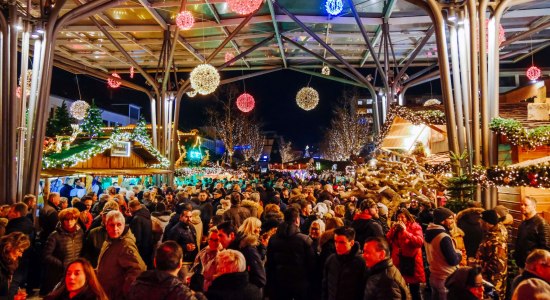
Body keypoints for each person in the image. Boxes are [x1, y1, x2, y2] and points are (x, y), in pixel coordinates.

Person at [128, 241, 205, 300]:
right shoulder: (180, 293)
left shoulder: (136, 285)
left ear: (155, 262)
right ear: (180, 264)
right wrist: (198, 295)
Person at [266, 207, 315, 300]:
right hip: (300, 284)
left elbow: (270, 263)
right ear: (297, 220)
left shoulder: (273, 238)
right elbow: (311, 264)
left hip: (279, 282)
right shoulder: (304, 240)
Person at [97, 210, 146, 299]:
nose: (115, 229)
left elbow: (138, 269)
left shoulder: (125, 245)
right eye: (111, 225)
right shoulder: (109, 241)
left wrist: (124, 292)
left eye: (119, 225)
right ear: (106, 225)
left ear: (124, 225)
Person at [41, 208, 85, 296]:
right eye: (66, 220)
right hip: (58, 273)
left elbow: (83, 250)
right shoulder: (55, 235)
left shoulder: (80, 233)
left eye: (72, 219)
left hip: (75, 270)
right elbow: (46, 255)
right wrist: (61, 264)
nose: (69, 222)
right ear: (62, 221)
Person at [386, 208, 425, 300]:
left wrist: (405, 232)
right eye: (398, 217)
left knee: (414, 290)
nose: (400, 219)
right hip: (398, 260)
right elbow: (387, 240)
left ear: (407, 217)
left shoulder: (415, 226)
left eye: (402, 217)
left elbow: (419, 242)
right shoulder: (395, 228)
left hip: (412, 261)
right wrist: (392, 230)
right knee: (400, 289)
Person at [424, 207, 462, 300]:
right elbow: (453, 260)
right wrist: (459, 254)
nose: (452, 221)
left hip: (434, 276)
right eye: (450, 218)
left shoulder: (429, 232)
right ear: (442, 220)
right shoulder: (443, 237)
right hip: (445, 278)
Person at [217, 220, 266, 289]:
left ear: (231, 235)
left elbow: (260, 279)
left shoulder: (247, 249)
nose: (218, 239)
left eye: (221, 236)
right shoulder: (232, 248)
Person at [322, 226, 366, 300]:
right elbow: (325, 286)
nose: (337, 246)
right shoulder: (331, 259)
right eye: (335, 241)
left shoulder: (360, 263)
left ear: (351, 243)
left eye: (342, 242)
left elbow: (362, 290)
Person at [475, 209, 508, 300]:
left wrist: (481, 266)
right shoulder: (490, 234)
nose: (479, 222)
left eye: (482, 221)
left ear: (487, 223)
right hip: (489, 279)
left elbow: (497, 264)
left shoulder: (496, 240)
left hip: (493, 281)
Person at [514, 196, 550, 269]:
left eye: (525, 205)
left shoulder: (541, 224)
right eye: (521, 204)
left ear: (534, 206)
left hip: (534, 265)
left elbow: (546, 248)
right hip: (523, 263)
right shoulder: (523, 223)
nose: (522, 207)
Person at [165, 208, 198, 278]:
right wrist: (185, 247)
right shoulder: (175, 230)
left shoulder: (191, 227)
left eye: (190, 217)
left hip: (192, 261)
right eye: (186, 217)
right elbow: (171, 247)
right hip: (182, 263)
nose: (189, 219)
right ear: (181, 217)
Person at [0, 232, 31, 299]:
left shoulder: (10, 264)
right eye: (19, 251)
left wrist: (16, 294)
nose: (21, 255)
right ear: (9, 246)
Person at [128, 200, 154, 269]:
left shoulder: (137, 219)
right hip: (148, 245)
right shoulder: (146, 214)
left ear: (130, 208)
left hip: (141, 249)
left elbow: (137, 237)